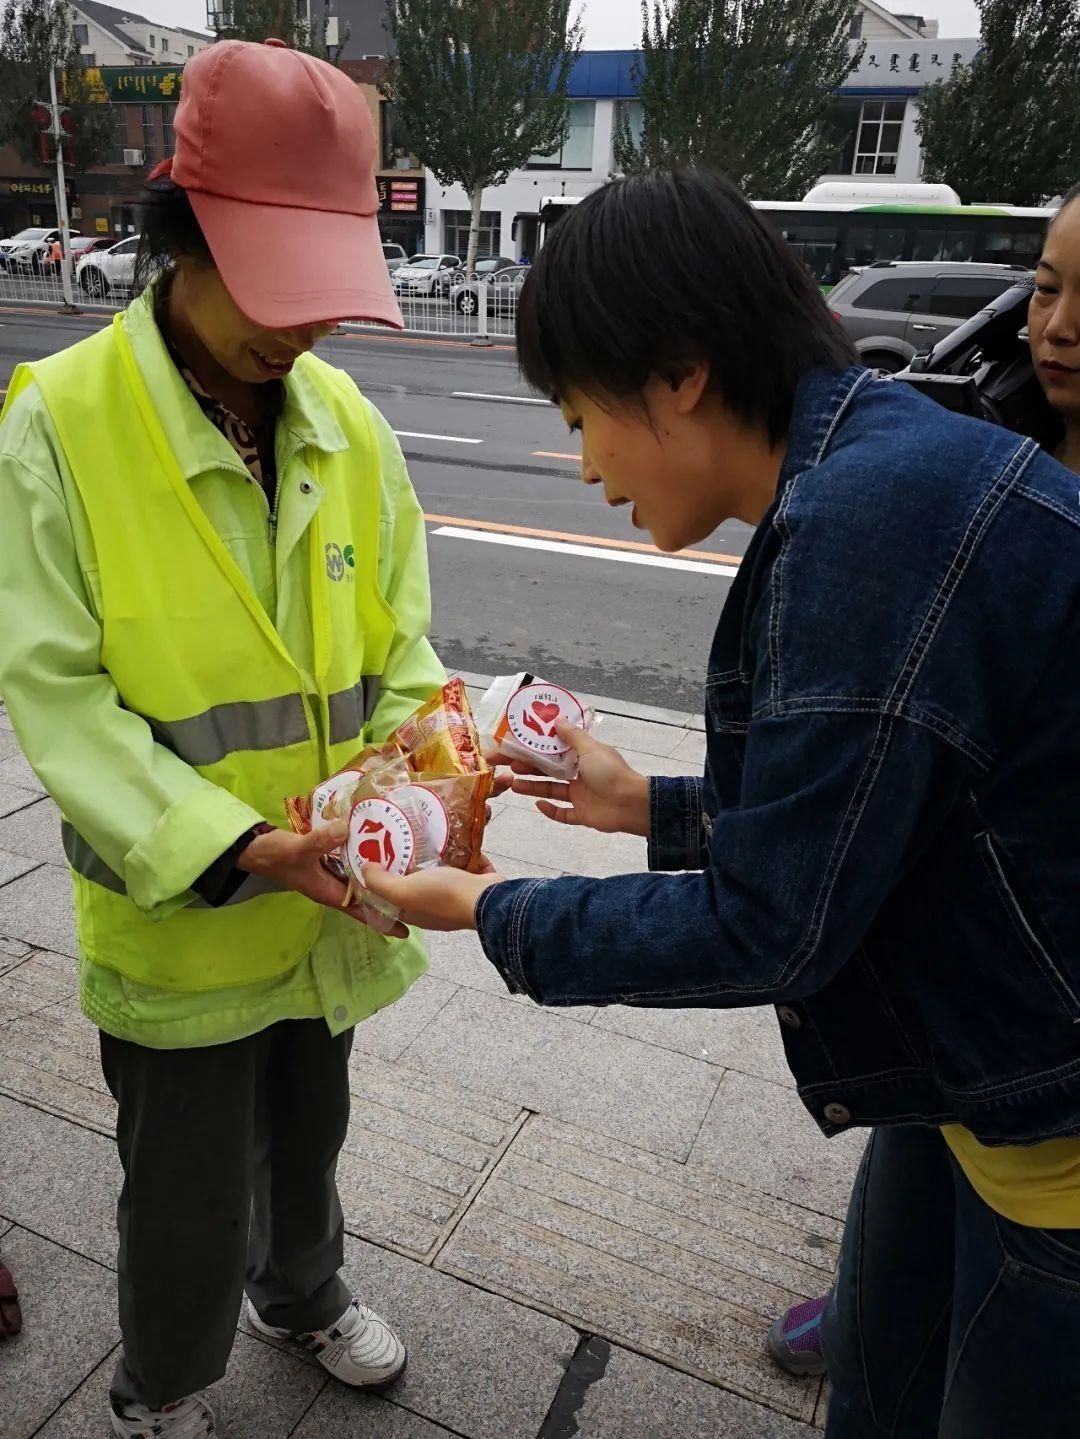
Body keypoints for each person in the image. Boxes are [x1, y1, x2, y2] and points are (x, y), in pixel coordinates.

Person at [361, 170, 1080, 1437]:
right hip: (962, 1072)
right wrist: (654, 803)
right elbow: (878, 813)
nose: (582, 463)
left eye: (581, 413)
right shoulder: (872, 467)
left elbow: (773, 925)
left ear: (682, 372)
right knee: (875, 1377)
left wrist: (487, 907)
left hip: (1049, 1121)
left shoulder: (870, 528)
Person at [0, 40, 444, 1439]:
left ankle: (301, 1291)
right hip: (187, 909)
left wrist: (423, 760)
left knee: (310, 1135)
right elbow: (57, 694)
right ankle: (163, 1379)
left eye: (322, 292)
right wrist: (233, 843)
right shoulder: (61, 426)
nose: (302, 327)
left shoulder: (347, 421)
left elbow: (405, 636)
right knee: (183, 1182)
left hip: (331, 896)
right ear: (176, 233)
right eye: (271, 283)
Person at [767, 180, 1080, 1382]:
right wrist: (670, 808)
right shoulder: (979, 425)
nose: (1057, 326)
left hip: (1049, 1078)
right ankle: (878, 1305)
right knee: (900, 1265)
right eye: (1047, 285)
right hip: (949, 1013)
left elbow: (770, 910)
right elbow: (893, 769)